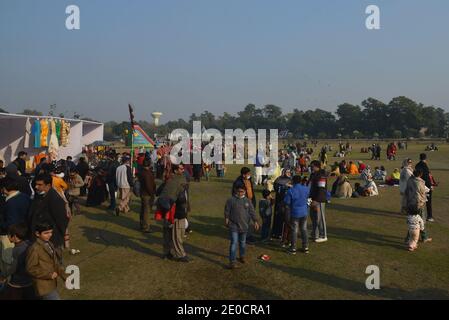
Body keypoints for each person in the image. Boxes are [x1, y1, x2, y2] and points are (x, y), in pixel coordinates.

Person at [26, 222, 67, 300]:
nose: (50, 235)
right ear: (37, 234)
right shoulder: (34, 249)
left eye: (51, 232)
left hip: (52, 284)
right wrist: (49, 274)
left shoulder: (49, 244)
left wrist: (64, 277)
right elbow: (30, 268)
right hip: (43, 286)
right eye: (46, 233)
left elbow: (56, 263)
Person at [159, 164, 190, 262]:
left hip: (167, 210)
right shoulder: (178, 181)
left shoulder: (171, 180)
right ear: (175, 170)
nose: (183, 170)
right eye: (181, 168)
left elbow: (159, 191)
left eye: (183, 168)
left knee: (168, 234)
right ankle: (180, 255)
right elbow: (181, 198)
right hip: (175, 211)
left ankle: (166, 252)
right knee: (177, 235)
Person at [29, 174, 69, 249]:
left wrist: (55, 238)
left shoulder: (55, 199)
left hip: (50, 239)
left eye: (40, 184)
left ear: (48, 185)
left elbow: (62, 221)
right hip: (39, 236)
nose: (36, 187)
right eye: (36, 184)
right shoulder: (39, 195)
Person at [224, 185, 259, 269]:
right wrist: (226, 218)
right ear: (236, 191)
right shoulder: (231, 200)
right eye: (239, 191)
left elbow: (252, 211)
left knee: (242, 242)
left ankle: (242, 256)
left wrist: (255, 221)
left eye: (242, 192)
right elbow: (227, 210)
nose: (240, 193)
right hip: (233, 225)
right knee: (234, 243)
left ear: (245, 192)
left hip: (244, 226)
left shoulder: (247, 201)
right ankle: (232, 262)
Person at [0, 223, 35, 300]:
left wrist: (3, 276)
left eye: (9, 235)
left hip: (17, 284)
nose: (8, 236)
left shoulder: (15, 251)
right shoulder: (29, 244)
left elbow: (12, 269)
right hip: (30, 282)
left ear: (15, 236)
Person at [404, 169, 432, 251]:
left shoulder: (409, 180)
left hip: (410, 203)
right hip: (418, 203)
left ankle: (408, 238)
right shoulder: (421, 182)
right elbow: (423, 192)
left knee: (412, 221)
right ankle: (424, 237)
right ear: (420, 174)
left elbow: (406, 191)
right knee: (421, 220)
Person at [284, 175, 310, 254]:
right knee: (304, 229)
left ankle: (293, 248)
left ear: (293, 181)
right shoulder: (306, 189)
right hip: (304, 211)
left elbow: (287, 203)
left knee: (294, 230)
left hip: (295, 212)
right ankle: (305, 247)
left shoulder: (291, 191)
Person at [232, 167, 257, 243]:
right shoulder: (238, 183)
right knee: (244, 221)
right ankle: (245, 236)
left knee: (248, 220)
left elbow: (251, 190)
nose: (249, 175)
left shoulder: (249, 180)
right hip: (243, 204)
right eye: (248, 174)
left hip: (250, 201)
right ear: (243, 175)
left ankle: (247, 235)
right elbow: (235, 194)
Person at [309, 160, 328, 243]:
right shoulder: (313, 175)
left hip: (319, 200)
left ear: (317, 166)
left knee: (320, 218)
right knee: (314, 218)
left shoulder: (321, 175)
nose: (311, 168)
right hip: (312, 198)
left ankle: (323, 235)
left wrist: (317, 200)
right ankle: (315, 234)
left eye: (312, 166)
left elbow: (321, 189)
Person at [271, 168, 292, 242]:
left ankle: (286, 236)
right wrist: (284, 187)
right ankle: (276, 233)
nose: (288, 173)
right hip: (279, 201)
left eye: (289, 172)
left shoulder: (291, 180)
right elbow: (276, 188)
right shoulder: (278, 179)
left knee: (287, 219)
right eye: (287, 172)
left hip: (288, 203)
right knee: (278, 217)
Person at [138, 160, 156, 233]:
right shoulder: (147, 174)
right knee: (146, 211)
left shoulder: (141, 172)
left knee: (143, 210)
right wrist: (152, 194)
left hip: (143, 192)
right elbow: (148, 185)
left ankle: (142, 224)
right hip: (147, 194)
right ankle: (145, 227)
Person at [415, 153, 434, 222]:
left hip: (418, 184)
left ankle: (416, 214)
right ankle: (429, 216)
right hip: (425, 185)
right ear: (425, 158)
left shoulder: (417, 165)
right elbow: (427, 177)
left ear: (419, 158)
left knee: (419, 200)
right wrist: (431, 185)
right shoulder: (425, 166)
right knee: (428, 201)